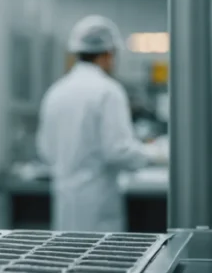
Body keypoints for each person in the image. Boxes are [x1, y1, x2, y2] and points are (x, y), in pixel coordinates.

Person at [36, 15, 163, 232]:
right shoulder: (108, 91)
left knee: (68, 262)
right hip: (98, 207)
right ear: (109, 53)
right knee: (101, 263)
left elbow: (46, 150)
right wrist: (155, 154)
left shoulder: (56, 91)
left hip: (65, 202)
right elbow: (118, 151)